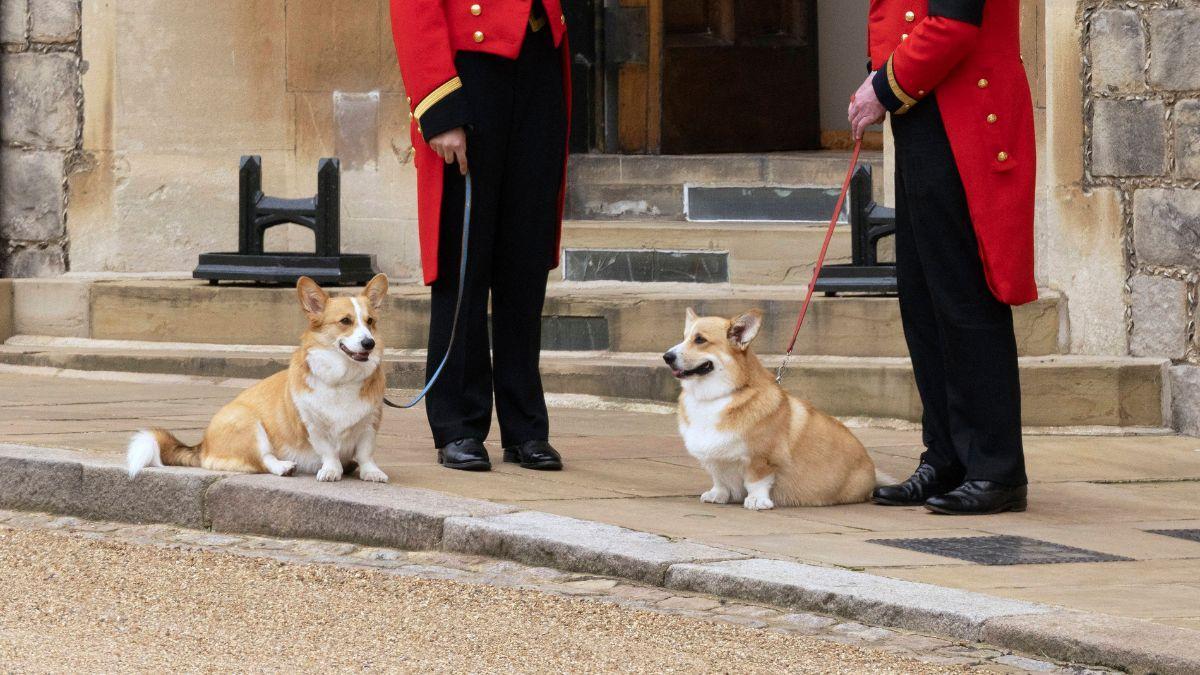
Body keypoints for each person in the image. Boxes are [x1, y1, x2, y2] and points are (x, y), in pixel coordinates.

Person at [847, 0, 1035, 514]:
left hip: (966, 116)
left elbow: (953, 24)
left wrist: (883, 87)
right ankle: (948, 457)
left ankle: (996, 470)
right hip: (928, 110)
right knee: (925, 299)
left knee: (965, 298)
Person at [389, 0, 571, 472]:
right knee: (463, 259)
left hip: (538, 65)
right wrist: (440, 105)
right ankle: (459, 425)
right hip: (468, 75)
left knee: (524, 260)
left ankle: (525, 426)